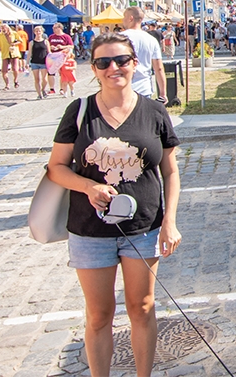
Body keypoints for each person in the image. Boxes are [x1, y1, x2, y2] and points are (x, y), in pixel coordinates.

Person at [47, 32, 181, 377]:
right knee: (99, 314)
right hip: (90, 231)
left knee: (142, 307)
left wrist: (170, 222)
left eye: (121, 60)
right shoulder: (79, 112)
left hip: (143, 227)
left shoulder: (153, 111)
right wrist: (89, 186)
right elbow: (56, 168)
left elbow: (170, 170)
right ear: (94, 68)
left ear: (134, 64)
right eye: (104, 62)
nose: (114, 68)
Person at [122, 7, 168, 102]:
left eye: (124, 17)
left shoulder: (120, 38)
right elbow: (159, 68)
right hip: (144, 88)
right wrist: (163, 94)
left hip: (124, 87)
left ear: (130, 18)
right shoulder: (151, 40)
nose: (122, 20)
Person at [49, 22, 74, 95]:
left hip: (62, 56)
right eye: (53, 28)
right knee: (51, 72)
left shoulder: (66, 37)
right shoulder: (51, 37)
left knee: (62, 73)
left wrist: (62, 47)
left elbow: (71, 46)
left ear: (59, 28)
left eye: (55, 28)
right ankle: (52, 88)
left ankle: (62, 88)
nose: (53, 30)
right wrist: (51, 47)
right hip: (53, 56)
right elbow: (48, 45)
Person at [0, 24, 21, 89]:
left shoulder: (14, 33)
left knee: (15, 69)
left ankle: (15, 80)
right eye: (1, 28)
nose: (3, 30)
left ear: (7, 28)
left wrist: (14, 43)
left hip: (14, 53)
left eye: (4, 28)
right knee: (4, 70)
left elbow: (20, 41)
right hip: (5, 53)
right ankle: (7, 84)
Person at [28, 26, 51, 99]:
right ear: (34, 32)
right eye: (36, 31)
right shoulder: (32, 42)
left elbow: (49, 52)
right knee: (37, 79)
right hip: (34, 62)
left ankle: (43, 89)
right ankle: (39, 94)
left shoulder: (45, 42)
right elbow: (29, 53)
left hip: (44, 62)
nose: (38, 32)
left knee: (44, 79)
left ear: (42, 32)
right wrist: (27, 63)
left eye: (39, 31)